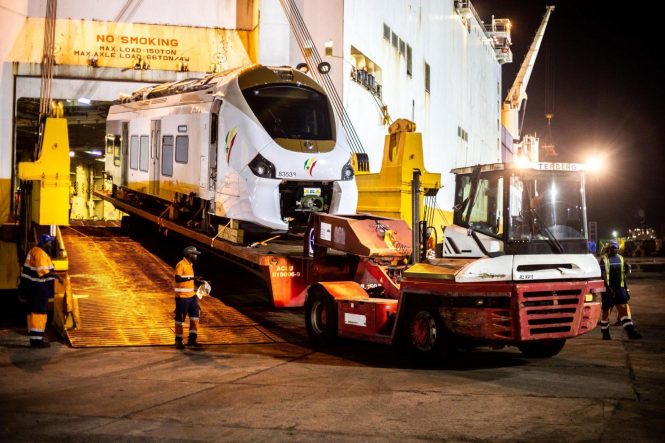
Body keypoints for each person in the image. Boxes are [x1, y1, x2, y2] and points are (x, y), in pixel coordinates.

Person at [21, 234, 63, 348]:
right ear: (44, 243)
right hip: (38, 288)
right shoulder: (40, 254)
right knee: (39, 313)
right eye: (49, 243)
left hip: (32, 287)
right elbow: (44, 272)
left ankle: (33, 337)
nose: (50, 245)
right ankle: (37, 341)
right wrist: (58, 277)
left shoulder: (34, 250)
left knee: (32, 313)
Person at [599, 240, 641, 340]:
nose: (612, 250)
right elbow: (602, 276)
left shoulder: (621, 259)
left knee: (625, 311)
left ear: (617, 248)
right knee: (606, 313)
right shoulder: (603, 260)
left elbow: (623, 277)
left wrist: (626, 290)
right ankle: (605, 333)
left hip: (619, 290)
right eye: (610, 248)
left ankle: (631, 333)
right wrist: (608, 289)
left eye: (614, 248)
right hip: (608, 291)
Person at [174, 245, 204, 349]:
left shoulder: (190, 265)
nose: (196, 256)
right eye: (195, 254)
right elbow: (177, 279)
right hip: (182, 297)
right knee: (180, 319)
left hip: (192, 296)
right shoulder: (181, 265)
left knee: (195, 316)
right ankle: (178, 340)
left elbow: (188, 279)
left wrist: (197, 281)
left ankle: (192, 339)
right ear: (189, 255)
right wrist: (192, 277)